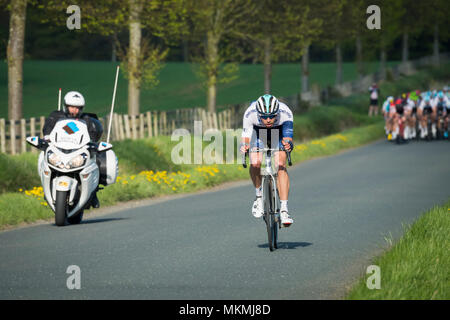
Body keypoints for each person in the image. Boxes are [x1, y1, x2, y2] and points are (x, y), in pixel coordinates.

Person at [240, 94, 294, 227]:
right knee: (255, 162)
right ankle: (258, 197)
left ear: (277, 113)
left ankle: (284, 209)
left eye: (272, 116)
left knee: (280, 163)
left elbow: (288, 138)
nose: (269, 120)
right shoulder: (250, 113)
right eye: (264, 117)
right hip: (258, 133)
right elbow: (246, 137)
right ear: (258, 114)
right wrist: (245, 146)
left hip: (279, 131)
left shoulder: (285, 113)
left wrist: (288, 144)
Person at [43, 91, 103, 208]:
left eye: (77, 108)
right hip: (58, 149)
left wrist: (93, 142)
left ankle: (93, 193)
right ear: (66, 106)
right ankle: (46, 186)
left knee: (95, 161)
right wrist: (46, 138)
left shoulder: (87, 119)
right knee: (42, 157)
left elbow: (93, 135)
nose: (74, 110)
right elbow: (47, 129)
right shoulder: (56, 116)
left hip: (78, 151)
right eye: (72, 107)